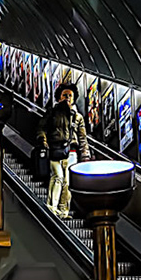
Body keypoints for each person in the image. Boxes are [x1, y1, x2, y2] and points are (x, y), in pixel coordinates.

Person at [42, 83, 87, 215]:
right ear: (59, 97)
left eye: (70, 95)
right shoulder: (52, 113)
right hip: (55, 150)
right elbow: (42, 128)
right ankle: (52, 206)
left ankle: (63, 210)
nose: (67, 98)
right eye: (64, 95)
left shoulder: (78, 117)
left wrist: (85, 154)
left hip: (71, 151)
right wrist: (43, 140)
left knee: (67, 182)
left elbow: (82, 138)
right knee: (58, 177)